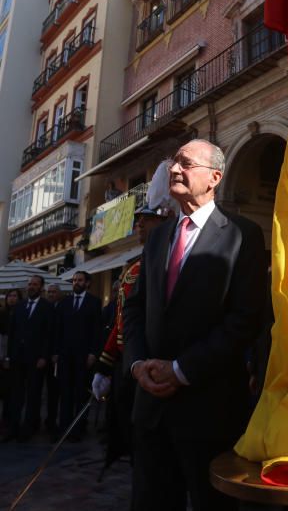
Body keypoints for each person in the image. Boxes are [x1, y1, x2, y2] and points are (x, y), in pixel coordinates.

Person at [123, 139, 267, 511]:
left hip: (210, 410)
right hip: (151, 409)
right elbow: (136, 308)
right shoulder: (157, 238)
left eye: (185, 163)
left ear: (214, 177)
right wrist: (138, 365)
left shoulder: (242, 235)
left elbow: (245, 319)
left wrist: (182, 370)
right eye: (174, 162)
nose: (174, 169)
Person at [93, 197, 173, 466]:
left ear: (163, 221)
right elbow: (123, 321)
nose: (139, 225)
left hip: (150, 361)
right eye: (138, 220)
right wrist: (105, 364)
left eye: (146, 219)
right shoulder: (136, 266)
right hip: (128, 360)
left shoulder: (162, 263)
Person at [54, 270, 102, 439]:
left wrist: (93, 353)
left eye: (80, 280)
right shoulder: (64, 303)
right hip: (65, 356)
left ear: (87, 283)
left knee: (81, 393)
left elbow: (97, 331)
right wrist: (56, 353)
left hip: (84, 356)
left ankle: (79, 428)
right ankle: (64, 427)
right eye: (74, 280)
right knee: (65, 392)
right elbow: (57, 330)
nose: (76, 283)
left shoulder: (94, 303)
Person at [3, 275, 52, 442]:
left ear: (41, 287)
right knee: (16, 395)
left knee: (33, 394)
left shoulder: (47, 307)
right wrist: (9, 356)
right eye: (30, 284)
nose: (31, 286)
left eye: (35, 284)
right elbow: (12, 333)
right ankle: (13, 428)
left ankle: (28, 428)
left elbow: (48, 335)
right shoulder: (20, 306)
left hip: (35, 358)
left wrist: (44, 356)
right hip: (17, 357)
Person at [0, 289, 23, 433]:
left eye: (15, 296)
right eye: (10, 296)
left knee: (12, 392)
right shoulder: (2, 314)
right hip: (2, 357)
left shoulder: (22, 313)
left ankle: (11, 420)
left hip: (17, 358)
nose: (12, 299)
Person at [45, 283, 62, 437]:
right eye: (49, 292)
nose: (50, 294)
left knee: (53, 393)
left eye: (53, 292)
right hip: (41, 356)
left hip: (56, 358)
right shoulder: (43, 307)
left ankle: (52, 422)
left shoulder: (62, 309)